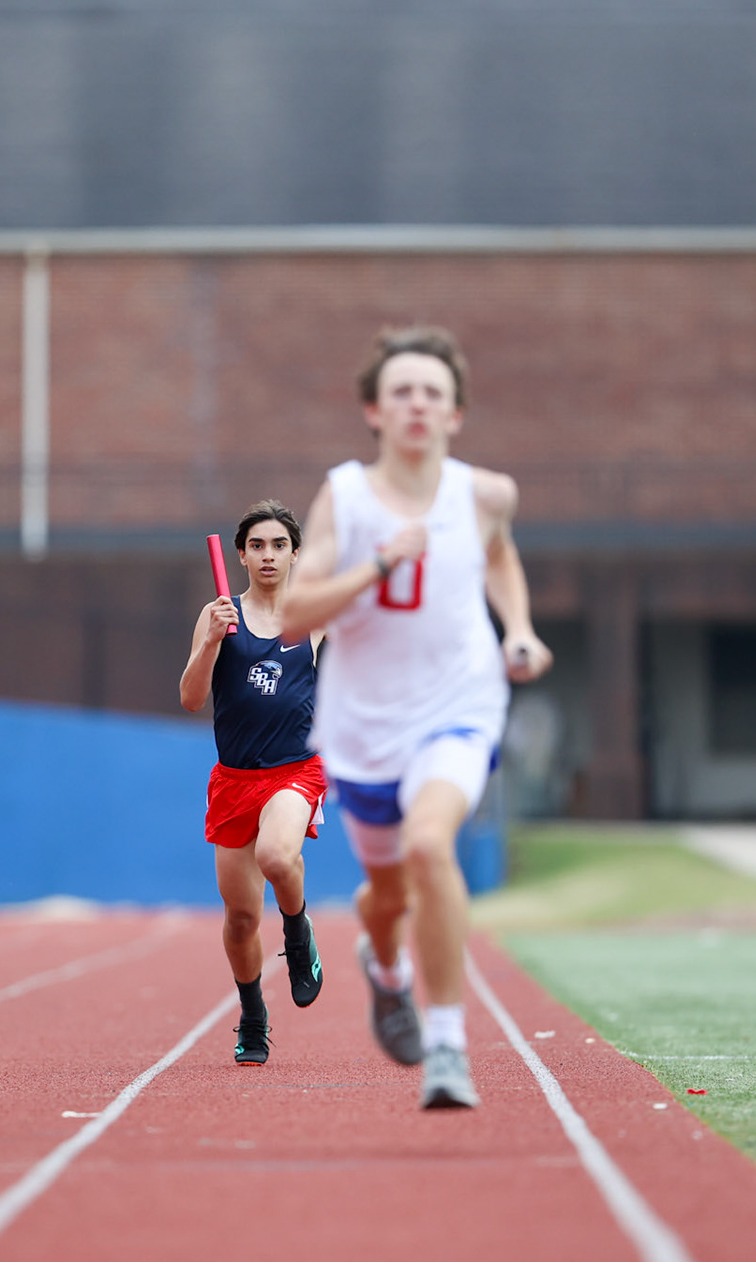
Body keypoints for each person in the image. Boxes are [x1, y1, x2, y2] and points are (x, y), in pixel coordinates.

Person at [282, 326, 551, 1110]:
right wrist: (377, 566)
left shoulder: (485, 493)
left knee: (432, 842)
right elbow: (294, 615)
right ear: (373, 409)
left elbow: (498, 552)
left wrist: (520, 627)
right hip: (365, 726)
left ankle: (445, 1047)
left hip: (460, 703)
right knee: (389, 895)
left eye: (433, 392)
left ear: (456, 413)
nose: (417, 405)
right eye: (401, 391)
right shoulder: (346, 497)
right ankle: (386, 965)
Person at [179, 498, 328, 1065]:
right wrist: (212, 642)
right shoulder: (219, 615)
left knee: (276, 855)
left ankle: (297, 929)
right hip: (234, 780)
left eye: (280, 546)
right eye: (258, 546)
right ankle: (253, 1016)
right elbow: (192, 698)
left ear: (295, 555)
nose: (269, 556)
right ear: (240, 555)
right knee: (241, 919)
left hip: (295, 771)